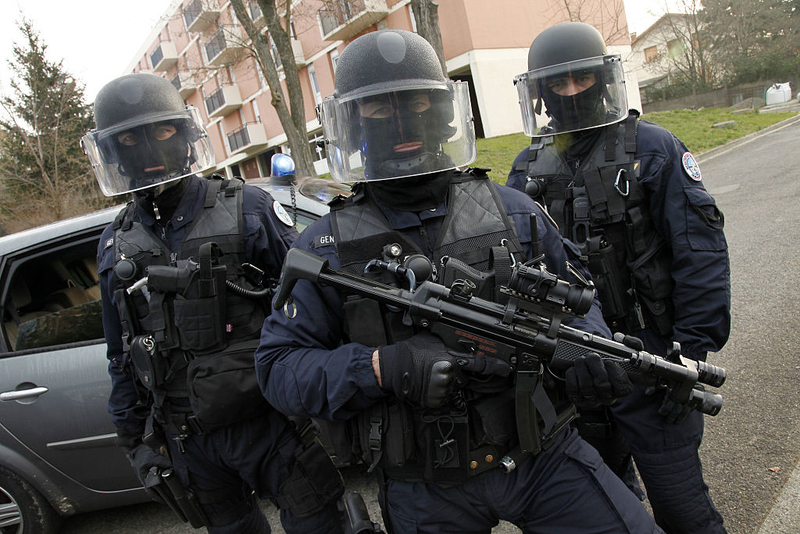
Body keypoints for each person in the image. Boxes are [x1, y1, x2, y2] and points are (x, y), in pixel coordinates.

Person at [256, 29, 662, 533]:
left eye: (419, 101)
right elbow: (278, 369)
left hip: (538, 454)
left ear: (446, 112)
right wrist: (381, 366)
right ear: (354, 125)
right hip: (422, 483)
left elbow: (579, 301)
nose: (404, 121)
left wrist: (594, 352)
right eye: (382, 110)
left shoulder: (512, 209)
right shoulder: (324, 246)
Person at [84, 73, 344, 534]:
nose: (147, 150)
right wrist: (134, 440)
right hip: (187, 437)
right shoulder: (116, 243)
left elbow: (314, 309)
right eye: (128, 138)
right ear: (111, 153)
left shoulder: (248, 208)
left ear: (184, 137)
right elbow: (121, 354)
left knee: (321, 525)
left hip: (269, 421)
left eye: (161, 132)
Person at [507, 22, 730, 534]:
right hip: (574, 367)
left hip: (653, 362)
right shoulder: (526, 169)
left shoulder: (652, 149)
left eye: (580, 80)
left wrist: (691, 353)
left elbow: (700, 254)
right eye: (557, 85)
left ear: (602, 81)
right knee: (608, 513)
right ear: (539, 95)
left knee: (683, 512)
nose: (569, 93)